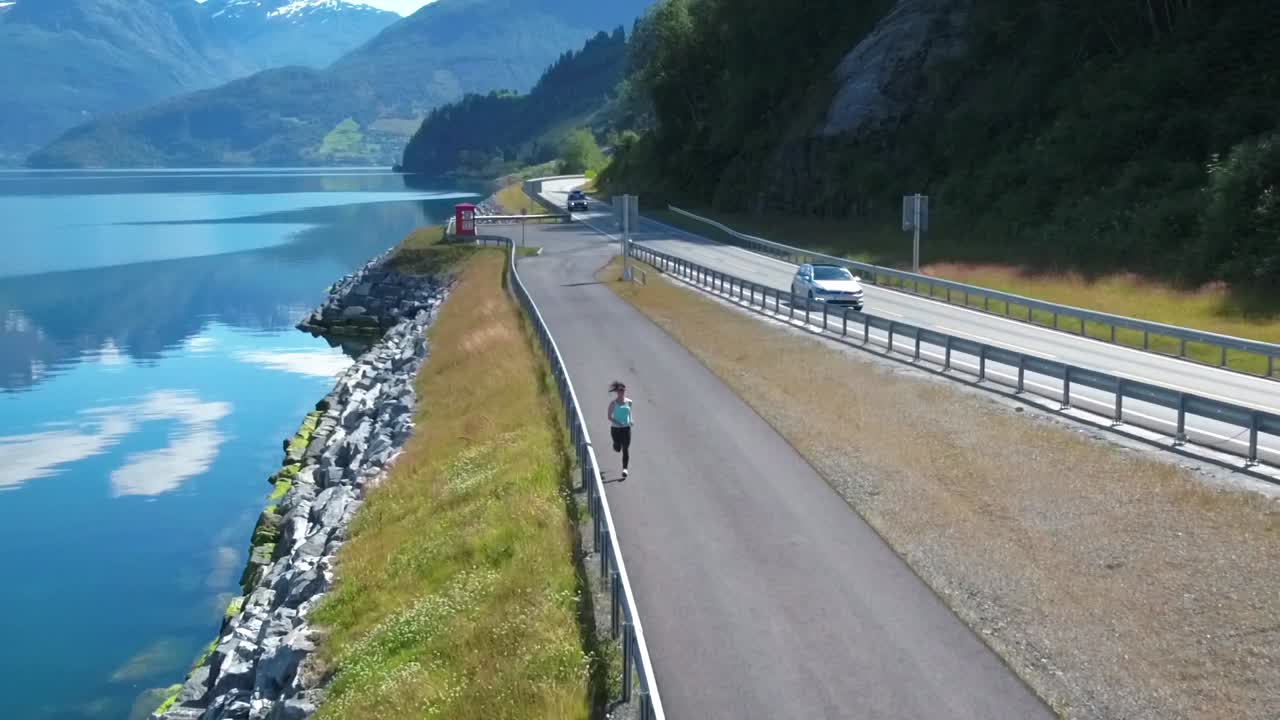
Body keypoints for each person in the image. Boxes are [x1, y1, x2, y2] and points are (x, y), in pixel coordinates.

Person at [607, 380, 634, 478]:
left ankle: (625, 469)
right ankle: (615, 444)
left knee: (626, 448)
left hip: (626, 428)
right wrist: (619, 422)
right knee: (618, 448)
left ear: (625, 391)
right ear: (617, 392)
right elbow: (609, 417)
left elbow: (629, 412)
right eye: (619, 391)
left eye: (623, 390)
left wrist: (630, 420)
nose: (621, 392)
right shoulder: (613, 403)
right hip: (616, 429)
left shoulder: (629, 402)